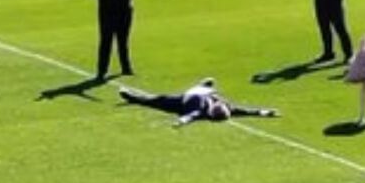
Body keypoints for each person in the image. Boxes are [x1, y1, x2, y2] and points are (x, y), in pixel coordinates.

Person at [118, 78, 279, 127]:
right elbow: (246, 111)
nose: (221, 104)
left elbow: (191, 116)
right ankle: (204, 85)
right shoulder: (226, 106)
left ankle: (131, 97)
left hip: (183, 101)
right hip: (200, 91)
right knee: (209, 83)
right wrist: (264, 112)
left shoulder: (201, 109)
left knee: (157, 100)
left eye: (219, 107)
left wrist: (181, 122)